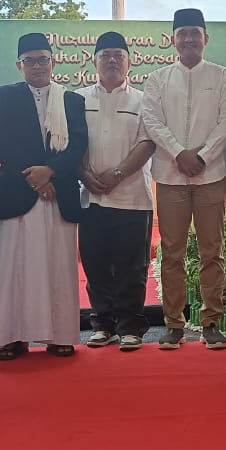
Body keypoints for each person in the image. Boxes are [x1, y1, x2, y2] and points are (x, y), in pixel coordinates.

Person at [141, 8, 226, 351]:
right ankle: (173, 324)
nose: (188, 39)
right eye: (182, 33)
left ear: (205, 38)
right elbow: (152, 120)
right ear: (173, 40)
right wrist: (178, 152)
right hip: (171, 177)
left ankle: (211, 322)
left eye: (194, 33)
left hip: (211, 175)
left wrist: (202, 156)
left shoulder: (223, 76)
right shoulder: (157, 79)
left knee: (212, 251)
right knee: (172, 253)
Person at [0, 33, 88, 361]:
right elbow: (4, 142)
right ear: (19, 66)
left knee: (58, 267)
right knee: (16, 267)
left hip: (59, 195)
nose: (37, 66)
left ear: (53, 62)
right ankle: (13, 337)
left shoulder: (71, 100)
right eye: (29, 60)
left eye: (42, 59)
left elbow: (78, 144)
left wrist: (51, 172)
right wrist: (37, 179)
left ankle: (60, 336)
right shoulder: (6, 96)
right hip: (19, 193)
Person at [78, 31, 156, 352]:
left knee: (131, 267)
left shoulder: (144, 100)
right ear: (94, 61)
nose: (112, 61)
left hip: (133, 197)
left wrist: (119, 173)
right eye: (105, 55)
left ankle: (131, 327)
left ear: (129, 62)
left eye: (118, 56)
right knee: (95, 265)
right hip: (91, 196)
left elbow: (147, 142)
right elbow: (71, 142)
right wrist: (84, 174)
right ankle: (103, 325)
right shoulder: (78, 99)